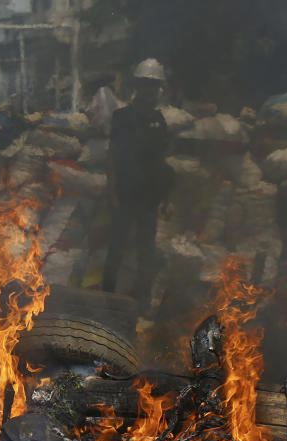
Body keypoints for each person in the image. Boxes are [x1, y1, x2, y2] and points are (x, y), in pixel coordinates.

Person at [102, 58, 172, 311]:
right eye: (145, 85)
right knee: (116, 249)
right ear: (137, 86)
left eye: (153, 86)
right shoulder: (121, 117)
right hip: (124, 194)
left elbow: (162, 162)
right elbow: (111, 155)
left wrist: (165, 198)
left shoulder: (159, 121)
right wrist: (112, 191)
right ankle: (105, 299)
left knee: (146, 252)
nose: (149, 91)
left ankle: (141, 305)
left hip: (149, 199)